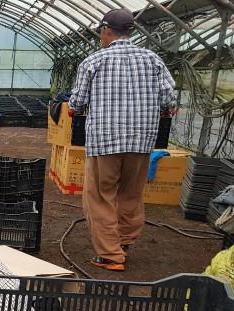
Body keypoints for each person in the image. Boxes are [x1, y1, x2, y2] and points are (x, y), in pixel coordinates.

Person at [69, 8, 176, 272]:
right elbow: (169, 100)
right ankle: (124, 243)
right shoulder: (153, 60)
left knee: (101, 197)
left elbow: (77, 102)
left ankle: (110, 256)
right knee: (131, 193)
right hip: (141, 141)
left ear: (106, 31)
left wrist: (75, 106)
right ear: (130, 31)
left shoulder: (94, 62)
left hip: (105, 141)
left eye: (100, 33)